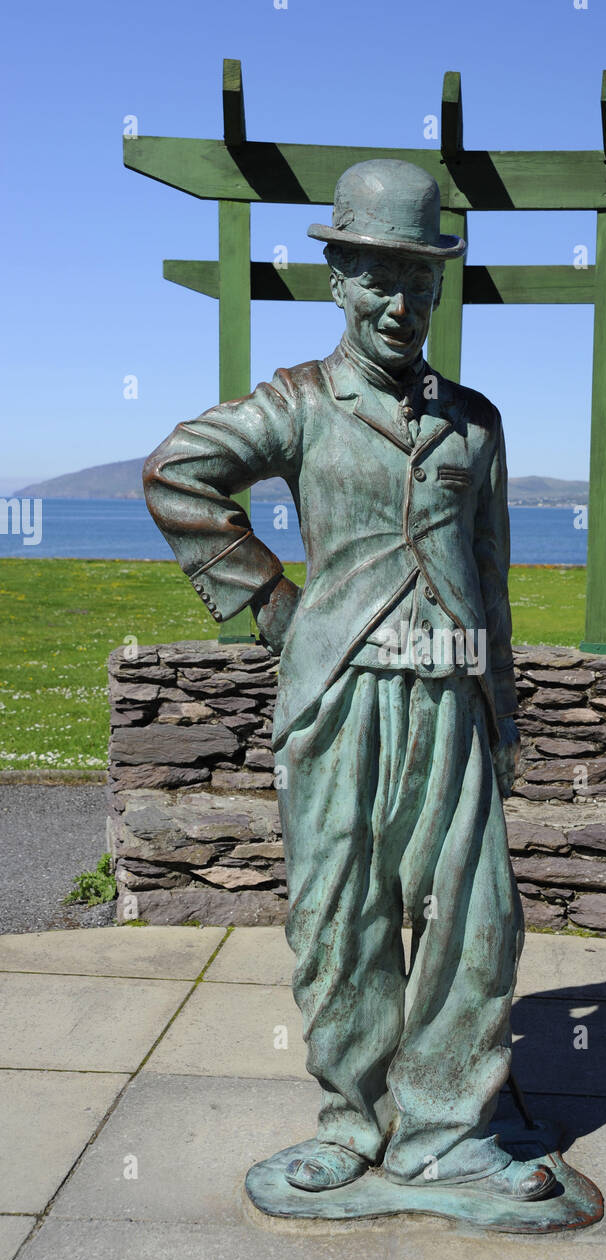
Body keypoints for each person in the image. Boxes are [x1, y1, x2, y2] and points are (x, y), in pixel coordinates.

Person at [143, 159, 553, 1202]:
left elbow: (493, 579)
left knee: (477, 915)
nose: (399, 303)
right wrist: (271, 604)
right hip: (338, 694)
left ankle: (444, 1132)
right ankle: (351, 1120)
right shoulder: (301, 404)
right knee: (340, 911)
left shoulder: (473, 423)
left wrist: (502, 710)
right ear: (338, 281)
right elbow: (177, 472)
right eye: (376, 276)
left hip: (452, 693)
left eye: (418, 280)